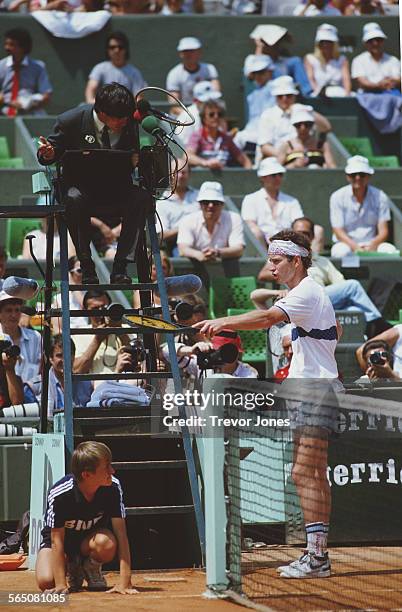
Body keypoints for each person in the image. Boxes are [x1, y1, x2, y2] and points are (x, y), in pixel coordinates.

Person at [194, 229, 341, 578]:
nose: (270, 267)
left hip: (313, 389)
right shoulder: (306, 293)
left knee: (305, 473)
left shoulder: (306, 292)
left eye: (276, 261)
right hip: (311, 387)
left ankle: (317, 557)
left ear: (295, 260)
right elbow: (335, 330)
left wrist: (222, 321)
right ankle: (317, 554)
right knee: (313, 473)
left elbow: (266, 319)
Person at [37, 83, 153, 285]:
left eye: (127, 116)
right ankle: (86, 265)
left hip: (116, 189)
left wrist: (135, 161)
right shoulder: (70, 121)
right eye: (119, 118)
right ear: (101, 112)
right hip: (81, 191)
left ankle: (121, 267)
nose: (124, 121)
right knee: (73, 198)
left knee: (141, 197)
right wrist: (48, 154)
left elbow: (129, 157)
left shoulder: (129, 123)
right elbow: (51, 151)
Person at [257, 217, 391, 338]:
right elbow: (262, 274)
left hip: (322, 299)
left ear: (313, 236)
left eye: (306, 233)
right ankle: (380, 325)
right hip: (299, 299)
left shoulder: (321, 260)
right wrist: (284, 270)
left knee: (354, 310)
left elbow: (341, 284)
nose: (302, 236)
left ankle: (371, 338)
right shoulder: (283, 256)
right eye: (299, 232)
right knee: (353, 286)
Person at [35, 441, 137, 594]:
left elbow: (121, 535)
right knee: (46, 581)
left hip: (88, 543)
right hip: (61, 546)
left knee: (106, 543)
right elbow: (56, 541)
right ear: (87, 474)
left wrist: (125, 581)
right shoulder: (61, 494)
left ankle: (90, 567)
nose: (113, 471)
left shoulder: (113, 488)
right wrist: (61, 584)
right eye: (106, 467)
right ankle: (71, 568)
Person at [329, 155, 394, 257]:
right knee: (339, 252)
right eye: (353, 174)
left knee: (390, 250)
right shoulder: (337, 196)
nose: (358, 178)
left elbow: (383, 231)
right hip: (346, 244)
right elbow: (338, 231)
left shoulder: (381, 196)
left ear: (369, 176)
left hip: (373, 244)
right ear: (347, 176)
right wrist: (355, 247)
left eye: (362, 174)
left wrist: (373, 245)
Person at [257, 76, 331, 160]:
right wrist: (287, 156)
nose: (284, 99)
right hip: (278, 160)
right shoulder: (268, 115)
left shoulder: (304, 110)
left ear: (294, 96)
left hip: (308, 158)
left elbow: (326, 127)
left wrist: (309, 112)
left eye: (288, 96)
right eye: (280, 96)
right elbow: (265, 147)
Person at [240, 157, 304, 248]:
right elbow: (249, 223)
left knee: (315, 230)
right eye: (273, 175)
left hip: (289, 244)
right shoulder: (250, 199)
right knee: (255, 232)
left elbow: (299, 223)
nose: (278, 178)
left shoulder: (292, 201)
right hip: (262, 245)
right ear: (263, 178)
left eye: (280, 175)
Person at [73, 289, 133, 384]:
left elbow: (138, 360)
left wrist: (120, 331)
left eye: (104, 308)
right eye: (95, 309)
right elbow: (77, 370)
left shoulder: (125, 329)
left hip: (125, 387)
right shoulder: (79, 333)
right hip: (93, 392)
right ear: (85, 311)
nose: (101, 313)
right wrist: (97, 340)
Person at [24, 335, 92, 417]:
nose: (64, 360)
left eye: (68, 354)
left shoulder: (87, 385)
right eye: (59, 355)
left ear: (74, 356)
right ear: (51, 358)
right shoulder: (35, 387)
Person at [177, 181, 245, 264]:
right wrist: (199, 255)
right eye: (206, 202)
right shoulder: (188, 220)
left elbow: (238, 249)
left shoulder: (234, 218)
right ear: (200, 204)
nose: (210, 205)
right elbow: (183, 248)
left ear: (222, 204)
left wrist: (217, 252)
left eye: (215, 202)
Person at [248, 24, 312, 97]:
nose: (277, 46)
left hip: (287, 95)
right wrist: (260, 47)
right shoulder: (252, 60)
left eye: (278, 43)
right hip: (267, 97)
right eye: (273, 45)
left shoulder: (290, 62)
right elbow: (251, 75)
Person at [0, 28, 52, 116]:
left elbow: (46, 95)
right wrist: (10, 103)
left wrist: (28, 105)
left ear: (23, 47)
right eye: (6, 44)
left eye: (12, 45)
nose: (7, 48)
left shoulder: (38, 67)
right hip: (4, 111)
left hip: (31, 111)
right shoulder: (1, 65)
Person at [85, 32, 147, 104]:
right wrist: (93, 105)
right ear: (107, 50)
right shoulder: (100, 68)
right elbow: (91, 89)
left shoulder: (134, 72)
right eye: (112, 47)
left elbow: (138, 98)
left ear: (125, 49)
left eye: (120, 47)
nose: (116, 50)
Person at [187, 101, 252, 169]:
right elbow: (188, 156)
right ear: (204, 118)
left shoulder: (226, 138)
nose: (216, 117)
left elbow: (246, 161)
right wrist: (205, 163)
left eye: (219, 114)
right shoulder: (197, 136)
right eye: (211, 114)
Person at [166, 37, 220, 114]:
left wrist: (207, 114)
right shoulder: (174, 74)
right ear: (180, 54)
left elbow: (216, 96)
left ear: (200, 52)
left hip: (207, 114)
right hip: (183, 116)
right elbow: (174, 105)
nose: (188, 54)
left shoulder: (209, 69)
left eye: (192, 51)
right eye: (185, 51)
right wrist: (192, 116)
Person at [155, 161, 200, 255]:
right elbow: (162, 235)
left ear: (189, 174)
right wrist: (185, 227)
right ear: (170, 175)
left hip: (202, 241)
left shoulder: (200, 197)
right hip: (176, 247)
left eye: (184, 172)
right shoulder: (162, 203)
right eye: (176, 172)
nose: (180, 176)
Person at [234, 55, 274, 152]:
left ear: (270, 72)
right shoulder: (252, 94)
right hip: (252, 134)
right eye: (255, 73)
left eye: (261, 72)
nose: (258, 76)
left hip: (270, 134)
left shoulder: (276, 88)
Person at [0, 291, 42, 383]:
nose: (14, 315)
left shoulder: (35, 337)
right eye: (8, 310)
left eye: (17, 310)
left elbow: (40, 371)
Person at [351, 22, 401, 95]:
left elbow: (398, 79)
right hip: (366, 95)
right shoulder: (358, 60)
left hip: (390, 94)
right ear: (365, 43)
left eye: (378, 39)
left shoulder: (393, 60)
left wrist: (388, 82)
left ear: (383, 41)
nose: (375, 43)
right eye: (371, 41)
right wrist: (379, 85)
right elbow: (362, 82)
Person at [304, 24, 352, 98]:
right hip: (318, 95)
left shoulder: (342, 59)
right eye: (322, 42)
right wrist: (318, 93)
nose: (325, 45)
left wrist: (347, 95)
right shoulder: (310, 59)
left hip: (339, 94)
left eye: (329, 42)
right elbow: (311, 79)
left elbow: (346, 80)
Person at [176, 80, 224, 148]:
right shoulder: (187, 116)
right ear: (196, 101)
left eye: (213, 99)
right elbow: (182, 146)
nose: (211, 103)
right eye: (206, 101)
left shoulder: (216, 113)